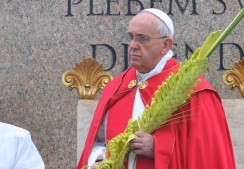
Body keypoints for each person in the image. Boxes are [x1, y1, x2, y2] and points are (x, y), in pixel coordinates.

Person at [78, 8, 235, 169]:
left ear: (165, 45)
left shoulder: (193, 90)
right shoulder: (116, 87)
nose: (132, 45)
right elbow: (98, 143)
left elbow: (206, 156)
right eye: (130, 37)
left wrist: (158, 148)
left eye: (142, 38)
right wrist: (99, 160)